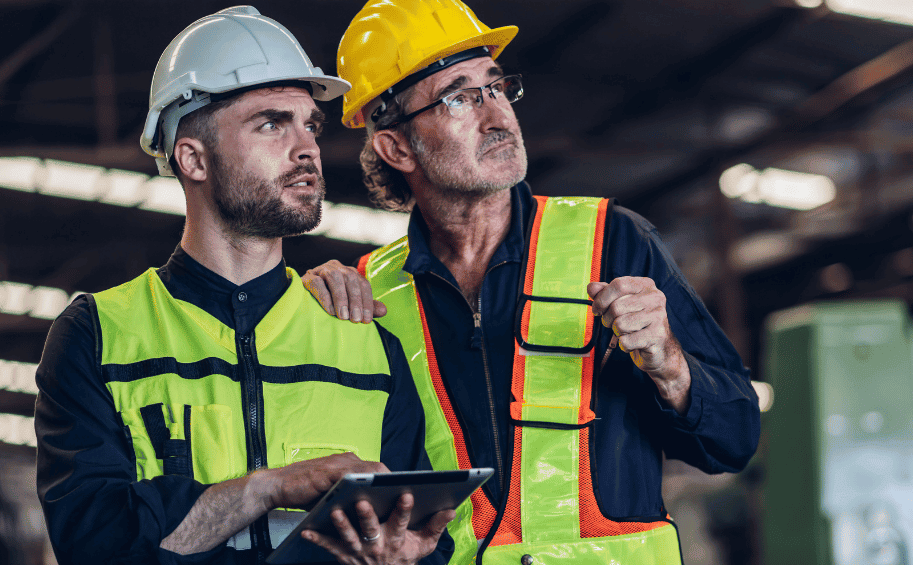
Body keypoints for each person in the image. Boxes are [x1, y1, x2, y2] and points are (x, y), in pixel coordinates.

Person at [302, 1, 762, 563]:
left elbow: (735, 438)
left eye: (495, 88)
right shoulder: (365, 294)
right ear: (396, 147)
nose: (496, 118)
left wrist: (670, 364)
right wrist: (304, 308)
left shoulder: (613, 241)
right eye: (458, 98)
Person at [33, 7, 452, 564]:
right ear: (193, 158)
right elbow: (94, 546)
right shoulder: (96, 336)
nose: (307, 149)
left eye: (310, 125)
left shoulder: (367, 341)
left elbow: (415, 534)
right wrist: (267, 487)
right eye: (272, 123)